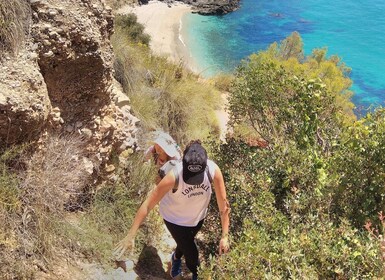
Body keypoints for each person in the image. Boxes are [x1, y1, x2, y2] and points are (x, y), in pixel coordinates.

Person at [113, 140, 230, 280]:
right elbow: (148, 205)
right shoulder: (174, 175)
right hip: (174, 219)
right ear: (183, 164)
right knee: (192, 254)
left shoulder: (213, 171)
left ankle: (175, 258)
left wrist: (225, 236)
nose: (193, 180)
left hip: (198, 217)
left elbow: (224, 207)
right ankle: (197, 274)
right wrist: (131, 235)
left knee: (186, 242)